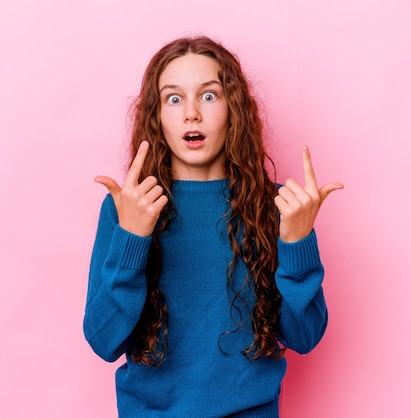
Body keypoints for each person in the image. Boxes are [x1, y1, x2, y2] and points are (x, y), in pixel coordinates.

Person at [83, 35, 343, 418]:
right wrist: (132, 238)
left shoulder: (276, 207)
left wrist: (297, 243)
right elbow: (105, 341)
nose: (191, 113)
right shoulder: (127, 209)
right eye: (174, 99)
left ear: (233, 108)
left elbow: (303, 337)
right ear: (156, 116)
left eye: (208, 96)